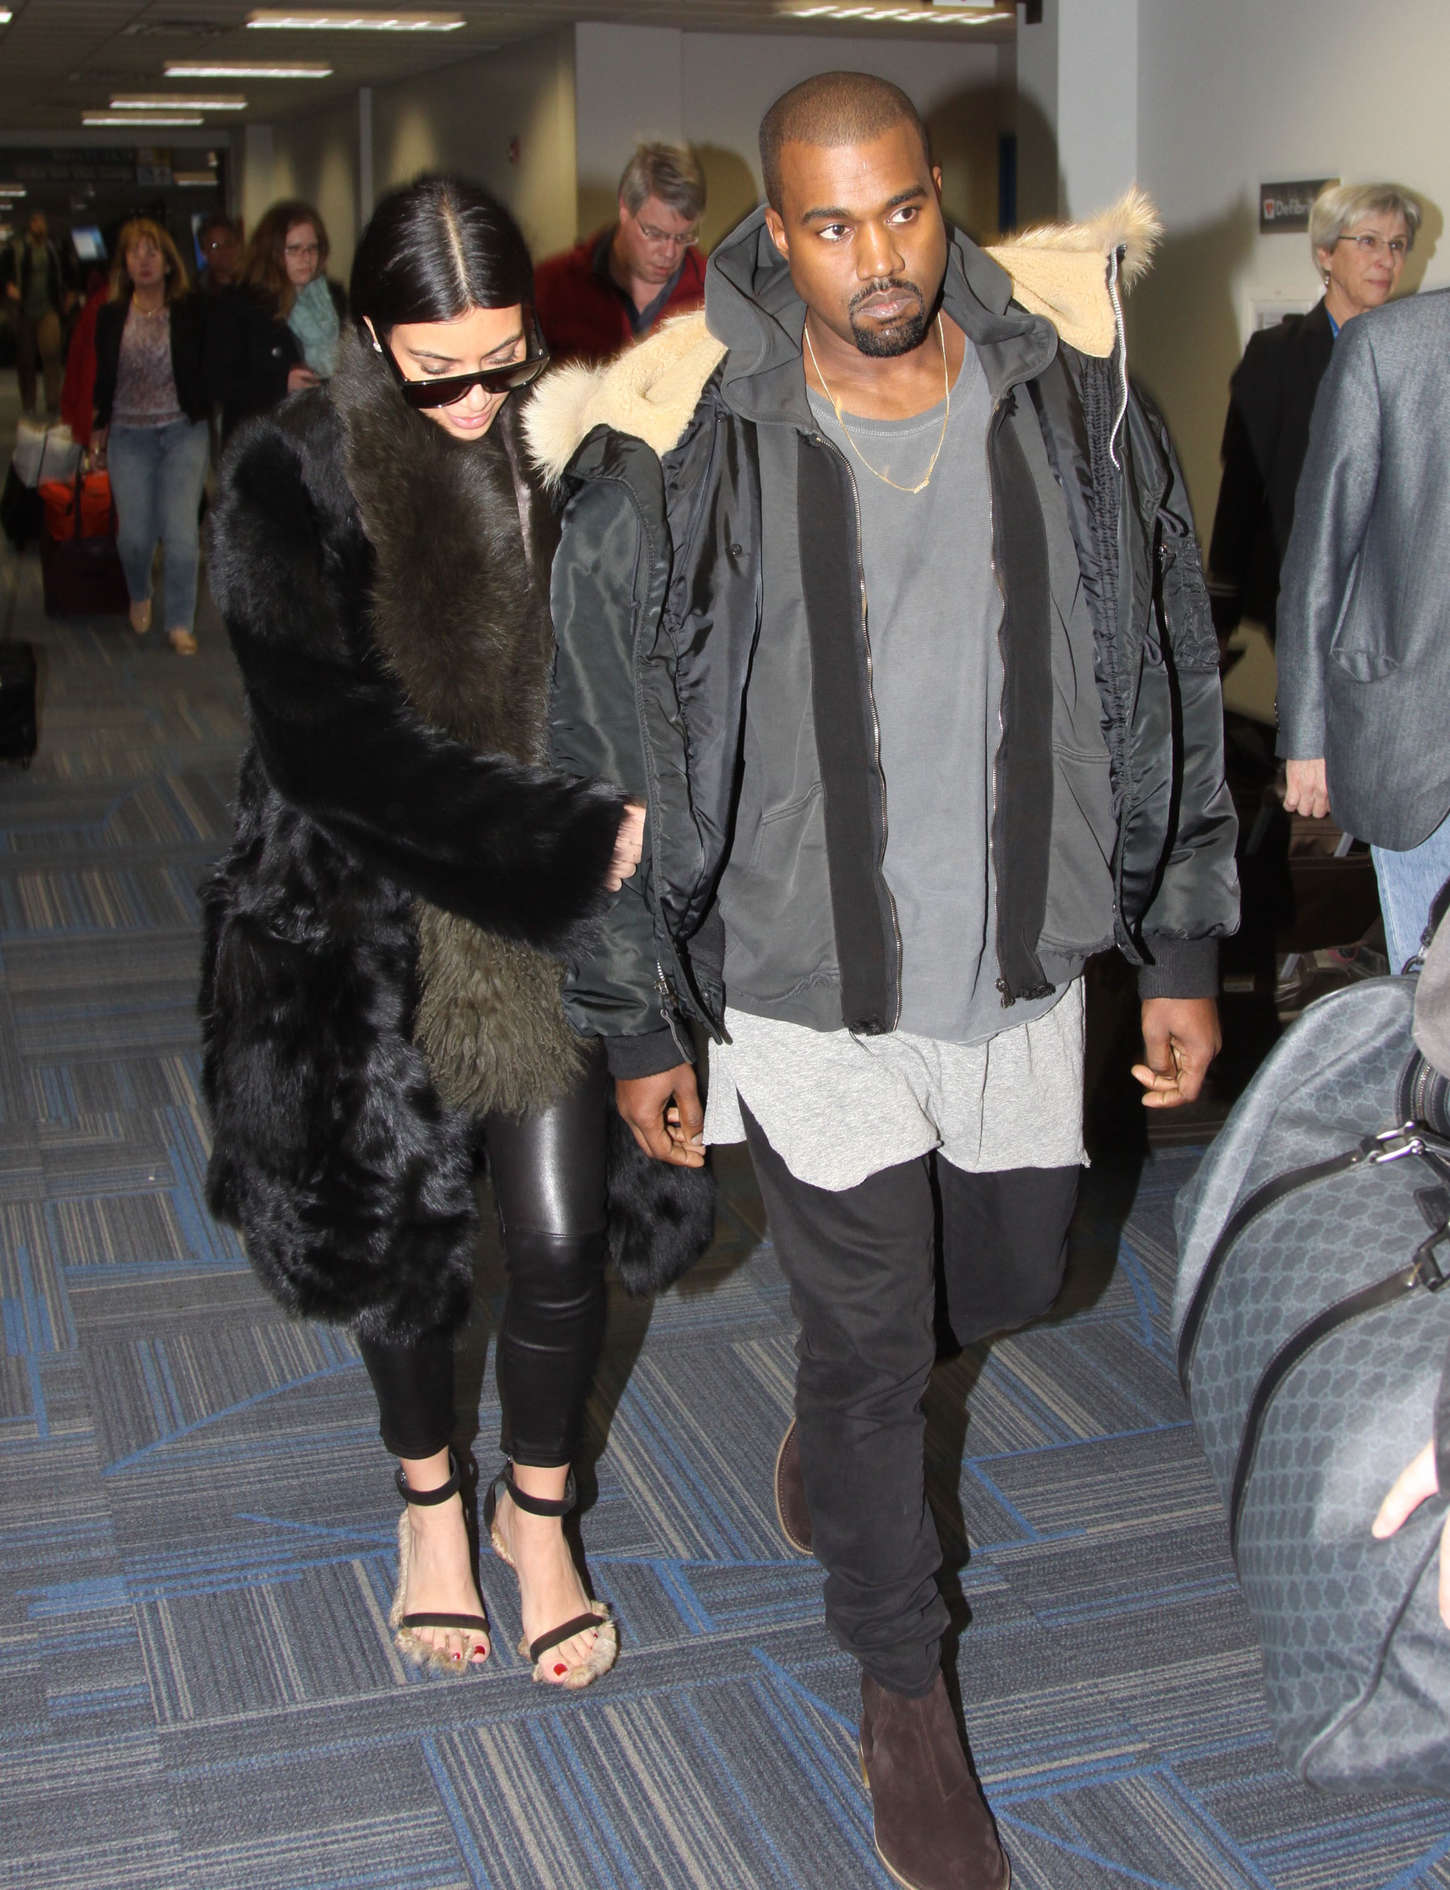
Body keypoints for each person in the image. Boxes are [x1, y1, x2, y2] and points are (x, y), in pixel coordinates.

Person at [536, 72, 1237, 1890]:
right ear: (775, 230)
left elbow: (1165, 661)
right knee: (866, 1353)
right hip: (801, 985)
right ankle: (901, 1696)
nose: (878, 261)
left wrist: (1178, 939)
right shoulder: (681, 450)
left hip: (1022, 971)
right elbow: (602, 766)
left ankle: (855, 1444)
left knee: (1001, 1283)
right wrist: (635, 1018)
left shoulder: (1075, 411)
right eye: (830, 227)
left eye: (906, 211)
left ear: (947, 202)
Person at [201, 173, 663, 1690]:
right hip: (358, 913)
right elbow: (330, 752)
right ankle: (426, 1514)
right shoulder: (293, 476)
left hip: (539, 927)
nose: (475, 396)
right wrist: (556, 842)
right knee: (404, 1239)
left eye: (501, 357)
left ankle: (537, 1519)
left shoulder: (562, 442)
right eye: (435, 365)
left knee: (553, 1232)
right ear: (369, 337)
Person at [1276, 288, 1450, 973]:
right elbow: (1321, 551)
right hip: (1415, 746)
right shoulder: (1388, 345)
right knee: (1435, 1015)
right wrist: (1308, 737)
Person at [1208, 182, 1420, 644]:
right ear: (1325, 254)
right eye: (1368, 241)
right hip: (1306, 596)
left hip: (1395, 602)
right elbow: (1243, 487)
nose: (1386, 258)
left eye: (1397, 244)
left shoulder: (1417, 358)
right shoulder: (1276, 356)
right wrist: (1220, 606)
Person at [91, 219, 210, 656]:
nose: (143, 261)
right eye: (134, 253)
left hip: (182, 431)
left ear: (167, 262)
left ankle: (179, 622)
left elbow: (208, 365)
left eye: (152, 252)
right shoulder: (110, 315)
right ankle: (139, 590)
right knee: (134, 537)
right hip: (128, 434)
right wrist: (97, 428)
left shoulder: (191, 310)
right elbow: (103, 377)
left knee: (180, 535)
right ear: (123, 264)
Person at [533, 142, 705, 363]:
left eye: (683, 237)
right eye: (654, 233)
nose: (670, 252)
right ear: (624, 208)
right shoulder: (553, 287)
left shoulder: (711, 294)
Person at [207, 198, 345, 440]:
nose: (306, 258)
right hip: (265, 437)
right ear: (272, 252)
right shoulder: (241, 304)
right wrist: (280, 382)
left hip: (323, 431)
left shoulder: (333, 297)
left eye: (312, 248)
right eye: (294, 249)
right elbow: (220, 381)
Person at [1, 208, 73, 416]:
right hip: (24, 310)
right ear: (30, 225)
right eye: (36, 222)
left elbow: (66, 271)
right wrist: (8, 286)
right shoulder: (16, 248)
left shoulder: (53, 249)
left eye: (43, 222)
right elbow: (3, 272)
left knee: (52, 354)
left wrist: (68, 293)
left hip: (48, 308)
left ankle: (53, 402)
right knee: (26, 359)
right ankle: (29, 403)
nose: (40, 226)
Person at [196, 212, 243, 296]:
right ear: (204, 252)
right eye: (215, 246)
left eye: (228, 243)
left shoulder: (254, 284)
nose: (223, 251)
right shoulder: (196, 294)